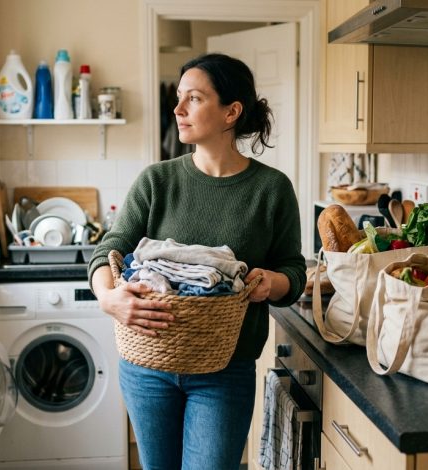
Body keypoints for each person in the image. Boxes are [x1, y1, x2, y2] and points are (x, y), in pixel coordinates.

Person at [87, 53, 306, 470]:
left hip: (225, 371)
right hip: (146, 368)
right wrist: (107, 297)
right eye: (179, 98)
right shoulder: (157, 180)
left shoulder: (271, 189)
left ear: (231, 112)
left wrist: (270, 283)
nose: (178, 109)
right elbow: (108, 248)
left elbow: (294, 271)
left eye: (194, 98)